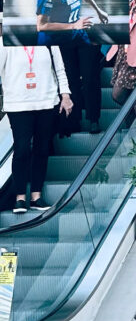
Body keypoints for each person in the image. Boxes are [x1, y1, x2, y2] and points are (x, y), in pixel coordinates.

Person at [36, 0, 106, 135]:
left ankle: (93, 120)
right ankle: (72, 121)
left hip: (78, 36)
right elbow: (41, 26)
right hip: (57, 41)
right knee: (71, 80)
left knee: (91, 77)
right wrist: (73, 25)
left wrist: (99, 11)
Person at [0, 46, 73, 213]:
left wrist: (66, 95)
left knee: (42, 148)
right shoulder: (8, 40)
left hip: (46, 102)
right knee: (22, 149)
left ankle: (36, 196)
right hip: (17, 104)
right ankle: (19, 197)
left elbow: (60, 68)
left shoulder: (47, 39)